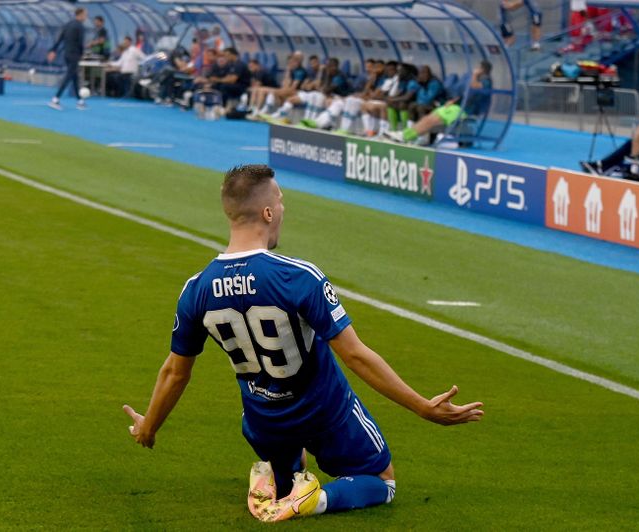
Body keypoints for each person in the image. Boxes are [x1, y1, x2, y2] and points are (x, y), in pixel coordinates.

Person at [123, 164, 483, 523]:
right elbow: (356, 355)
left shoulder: (196, 289)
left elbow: (175, 372)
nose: (282, 208)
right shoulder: (298, 277)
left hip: (263, 422)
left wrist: (149, 426)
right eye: (279, 201)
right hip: (324, 413)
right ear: (267, 212)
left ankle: (283, 477)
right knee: (381, 481)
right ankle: (315, 499)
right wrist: (422, 407)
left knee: (283, 455)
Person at [385, 60, 493, 144]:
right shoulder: (477, 79)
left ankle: (407, 137)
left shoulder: (486, 81)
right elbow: (466, 95)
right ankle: (405, 134)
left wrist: (474, 75)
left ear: (483, 70)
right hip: (457, 107)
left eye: (479, 68)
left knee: (433, 120)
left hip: (466, 111)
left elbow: (474, 87)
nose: (476, 69)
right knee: (429, 118)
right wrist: (453, 101)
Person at [47, 7, 87, 111]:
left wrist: (53, 50)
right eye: (85, 15)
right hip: (75, 54)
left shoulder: (68, 25)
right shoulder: (80, 27)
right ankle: (55, 99)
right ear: (81, 14)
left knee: (74, 77)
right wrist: (82, 54)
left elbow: (60, 39)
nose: (86, 17)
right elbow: (80, 43)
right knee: (69, 76)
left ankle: (80, 101)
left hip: (67, 54)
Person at [247, 52, 306, 119]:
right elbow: (284, 84)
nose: (290, 65)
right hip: (286, 90)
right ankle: (254, 109)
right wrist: (288, 72)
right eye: (289, 63)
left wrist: (283, 89)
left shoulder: (300, 72)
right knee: (261, 90)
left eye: (291, 63)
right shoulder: (291, 71)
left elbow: (293, 88)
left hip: (298, 92)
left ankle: (267, 110)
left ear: (297, 62)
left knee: (274, 92)